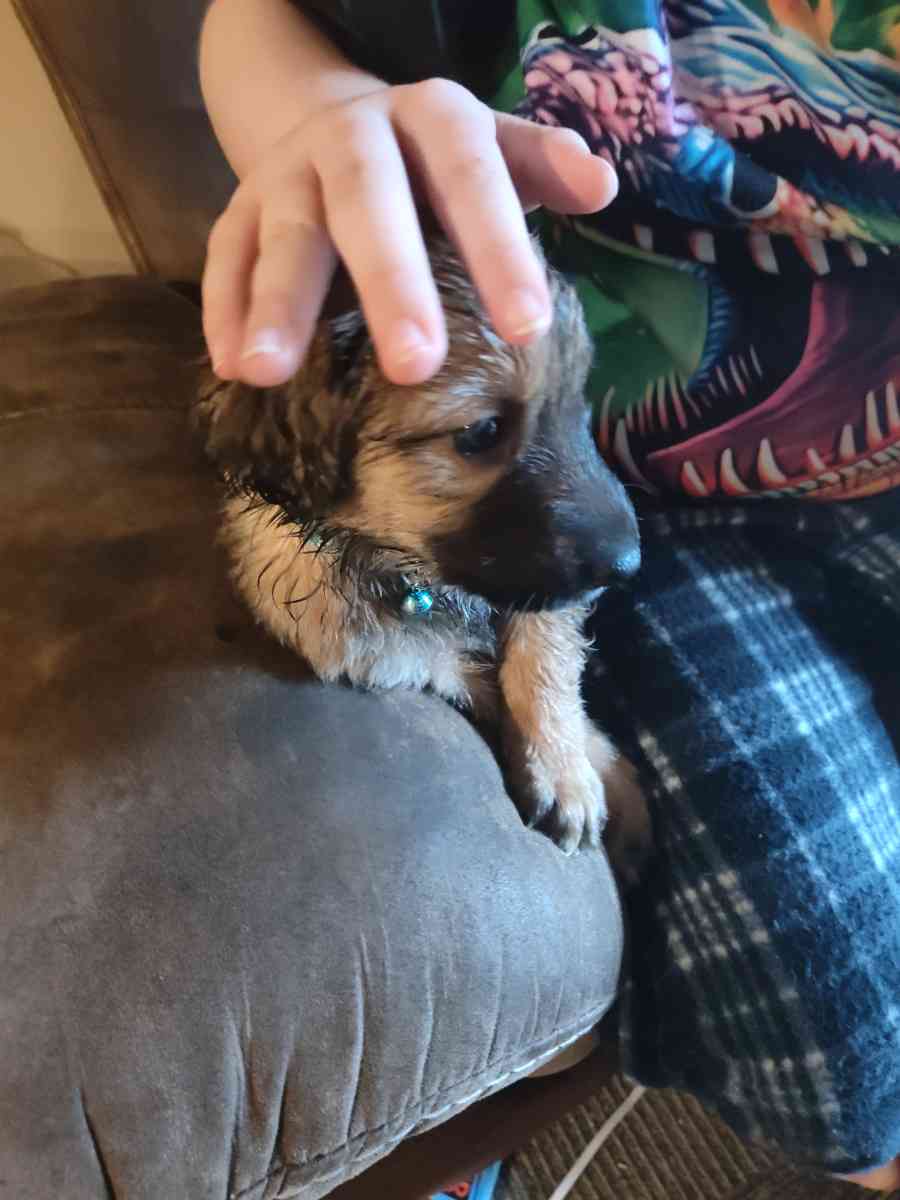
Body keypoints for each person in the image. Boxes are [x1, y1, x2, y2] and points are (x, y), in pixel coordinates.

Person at [199, 0, 900, 1189]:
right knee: (842, 1016)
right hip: (694, 509)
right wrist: (320, 115)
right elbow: (262, 15)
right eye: (473, 436)